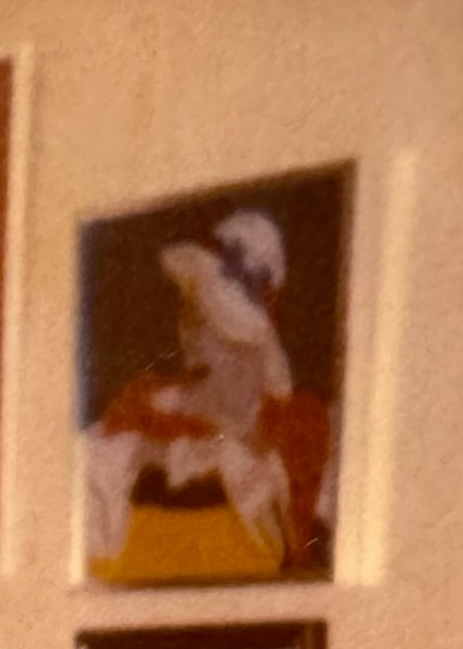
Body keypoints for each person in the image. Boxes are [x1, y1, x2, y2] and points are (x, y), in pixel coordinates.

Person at [82, 208, 335, 583]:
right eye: (193, 319)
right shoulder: (137, 428)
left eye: (227, 338)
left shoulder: (300, 436)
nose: (195, 343)